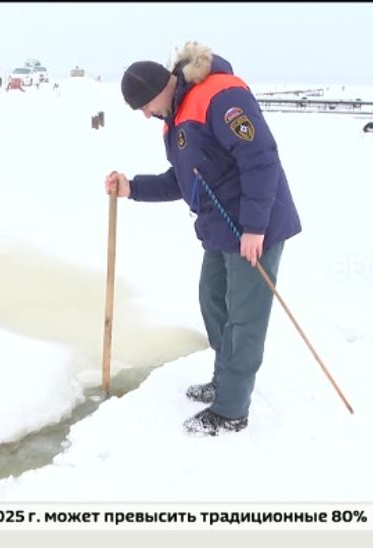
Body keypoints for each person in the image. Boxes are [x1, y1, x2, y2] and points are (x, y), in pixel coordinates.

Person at [104, 42, 301, 436]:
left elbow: (261, 158)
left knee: (245, 319)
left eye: (143, 105)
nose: (144, 115)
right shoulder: (175, 118)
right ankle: (223, 379)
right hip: (221, 229)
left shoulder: (219, 96)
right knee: (212, 301)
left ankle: (231, 410)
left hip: (254, 228)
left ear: (159, 89)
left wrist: (255, 228)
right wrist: (132, 188)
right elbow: (182, 179)